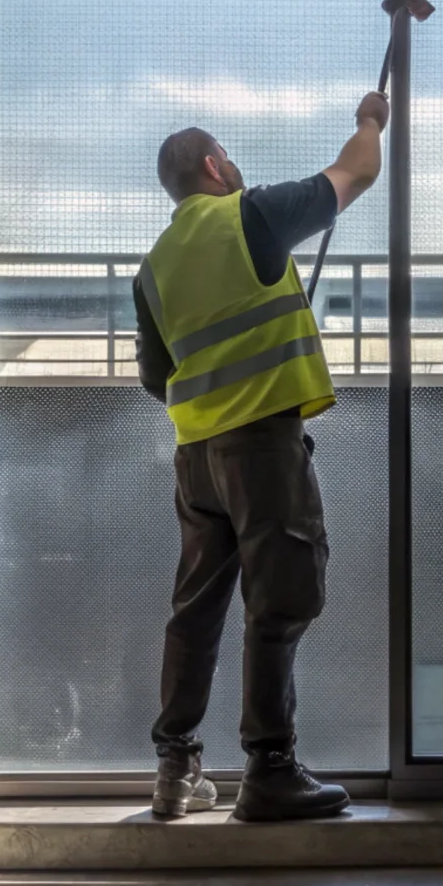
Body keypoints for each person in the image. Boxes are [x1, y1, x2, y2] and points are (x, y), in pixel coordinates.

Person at [134, 90, 389, 822]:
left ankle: (174, 768)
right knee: (281, 599)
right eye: (231, 156)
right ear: (216, 166)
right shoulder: (251, 215)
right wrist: (372, 119)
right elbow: (356, 172)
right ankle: (270, 768)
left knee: (197, 608)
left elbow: (158, 376)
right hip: (260, 450)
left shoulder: (153, 268)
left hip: (196, 460)